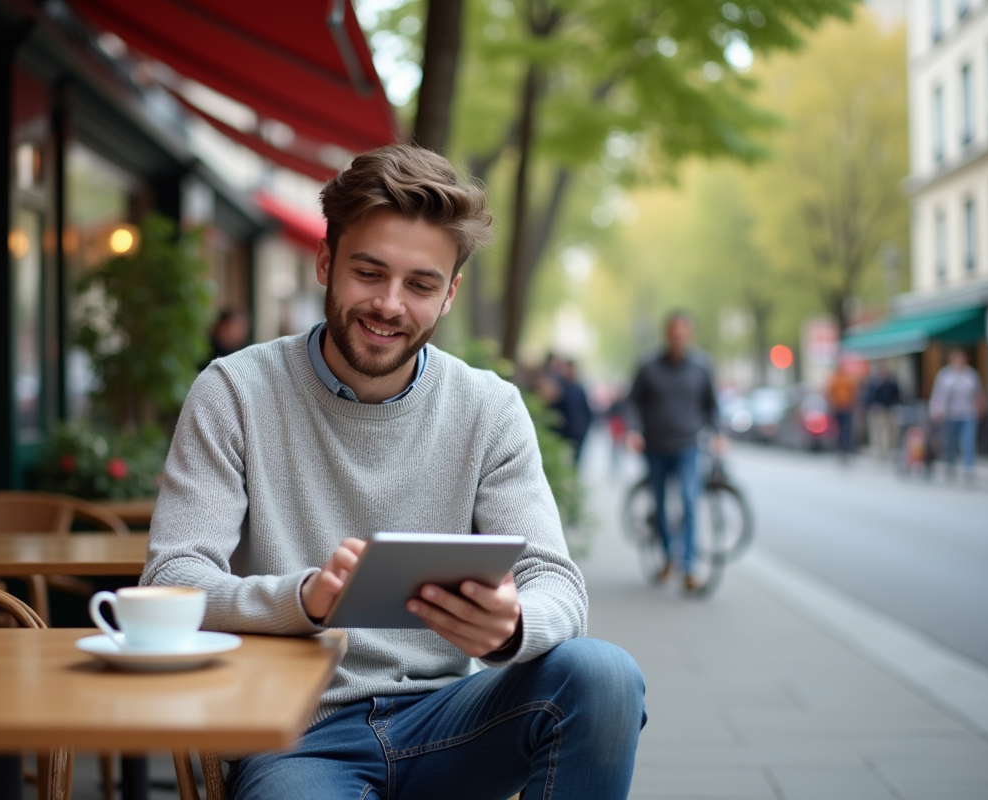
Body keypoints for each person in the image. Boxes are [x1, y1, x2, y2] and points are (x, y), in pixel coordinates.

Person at [143, 144, 645, 800]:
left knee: (603, 677)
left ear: (449, 294)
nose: (389, 304)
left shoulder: (488, 408)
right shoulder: (234, 391)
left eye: (420, 285)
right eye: (368, 272)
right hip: (297, 733)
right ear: (325, 262)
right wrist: (304, 598)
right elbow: (172, 581)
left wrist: (513, 625)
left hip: (450, 722)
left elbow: (556, 583)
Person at [625, 311, 721, 592]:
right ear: (666, 334)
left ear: (690, 334)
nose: (678, 338)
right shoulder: (648, 366)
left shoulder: (702, 367)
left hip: (688, 446)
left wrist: (717, 433)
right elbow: (632, 403)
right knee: (660, 505)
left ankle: (688, 567)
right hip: (654, 447)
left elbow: (711, 406)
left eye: (682, 333)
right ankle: (669, 556)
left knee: (690, 502)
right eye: (673, 333)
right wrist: (633, 430)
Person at [930, 348, 986, 483]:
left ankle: (969, 468)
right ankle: (950, 465)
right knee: (949, 443)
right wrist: (936, 411)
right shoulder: (944, 375)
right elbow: (937, 394)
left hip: (968, 414)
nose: (960, 361)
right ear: (952, 360)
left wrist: (980, 408)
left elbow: (978, 393)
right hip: (950, 415)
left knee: (968, 441)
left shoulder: (971, 375)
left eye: (962, 358)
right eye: (957, 358)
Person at [545, 354, 594, 465]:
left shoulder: (579, 389)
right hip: (565, 433)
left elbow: (587, 412)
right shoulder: (561, 388)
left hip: (578, 433)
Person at [863, 364, 902, 460]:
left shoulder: (892, 384)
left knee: (890, 432)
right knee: (878, 432)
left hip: (890, 409)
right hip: (879, 410)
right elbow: (870, 397)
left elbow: (898, 396)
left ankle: (889, 450)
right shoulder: (875, 384)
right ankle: (879, 451)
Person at [826, 364, 858, 458]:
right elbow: (829, 393)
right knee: (839, 430)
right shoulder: (834, 379)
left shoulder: (847, 379)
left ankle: (846, 447)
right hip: (838, 408)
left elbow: (853, 393)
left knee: (847, 429)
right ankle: (841, 448)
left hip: (847, 408)